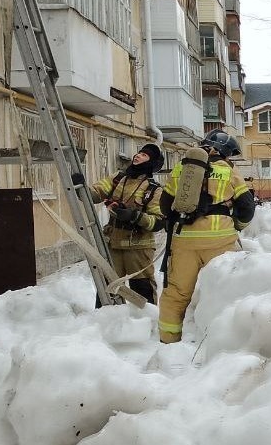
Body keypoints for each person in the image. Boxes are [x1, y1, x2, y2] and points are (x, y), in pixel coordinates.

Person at [156, 130, 256, 344]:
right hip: (220, 241)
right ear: (226, 152)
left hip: (184, 241)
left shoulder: (182, 168)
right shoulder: (228, 170)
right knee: (224, 291)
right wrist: (236, 225)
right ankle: (221, 342)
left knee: (176, 294)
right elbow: (247, 207)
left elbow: (165, 205)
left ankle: (168, 342)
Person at [91, 143, 164, 305]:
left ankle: (146, 324)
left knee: (142, 290)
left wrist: (134, 216)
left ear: (151, 163)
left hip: (138, 249)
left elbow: (158, 222)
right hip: (114, 244)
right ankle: (105, 323)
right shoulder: (118, 179)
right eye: (139, 153)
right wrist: (80, 186)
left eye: (144, 155)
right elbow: (95, 195)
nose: (138, 156)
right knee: (109, 288)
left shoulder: (154, 189)